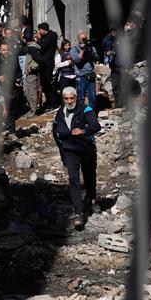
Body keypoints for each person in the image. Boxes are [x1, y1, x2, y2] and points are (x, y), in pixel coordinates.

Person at [52, 86, 100, 228]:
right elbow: (55, 132)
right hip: (70, 150)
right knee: (73, 179)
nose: (69, 101)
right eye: (66, 99)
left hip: (87, 149)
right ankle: (78, 212)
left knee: (89, 176)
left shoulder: (86, 110)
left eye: (71, 98)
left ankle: (91, 198)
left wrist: (84, 131)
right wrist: (62, 150)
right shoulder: (60, 112)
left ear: (76, 97)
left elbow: (96, 126)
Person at [72, 31, 99, 109]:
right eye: (83, 39)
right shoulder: (75, 49)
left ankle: (91, 114)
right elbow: (77, 60)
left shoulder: (91, 47)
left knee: (92, 97)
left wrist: (91, 51)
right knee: (80, 97)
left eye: (85, 39)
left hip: (90, 74)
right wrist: (83, 49)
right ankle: (80, 114)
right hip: (80, 75)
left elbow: (97, 59)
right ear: (79, 40)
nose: (85, 40)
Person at [35, 22, 58, 109]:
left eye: (40, 30)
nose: (38, 32)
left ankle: (52, 103)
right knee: (45, 84)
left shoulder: (49, 38)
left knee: (47, 84)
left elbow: (41, 48)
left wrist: (39, 39)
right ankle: (49, 102)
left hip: (47, 64)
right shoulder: (47, 37)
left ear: (44, 30)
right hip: (45, 63)